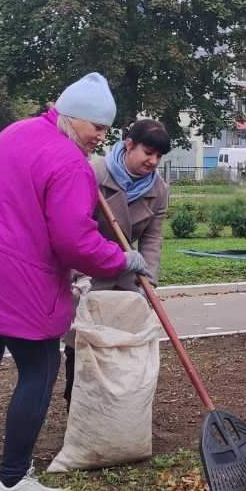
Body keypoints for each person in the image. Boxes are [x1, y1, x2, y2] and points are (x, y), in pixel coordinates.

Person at [0, 73, 153, 491]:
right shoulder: (70, 162)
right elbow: (74, 240)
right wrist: (121, 260)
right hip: (16, 276)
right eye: (97, 128)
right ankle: (13, 481)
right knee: (40, 368)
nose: (99, 138)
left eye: (106, 131)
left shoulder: (16, 132)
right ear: (73, 118)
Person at [63, 118, 171, 405]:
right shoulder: (94, 174)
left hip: (127, 276)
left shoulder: (158, 189)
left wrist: (147, 280)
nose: (153, 161)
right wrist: (82, 273)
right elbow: (74, 229)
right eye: (148, 152)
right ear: (129, 145)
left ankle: (119, 411)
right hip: (87, 273)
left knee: (122, 347)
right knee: (84, 345)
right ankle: (79, 408)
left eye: (158, 156)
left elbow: (151, 239)